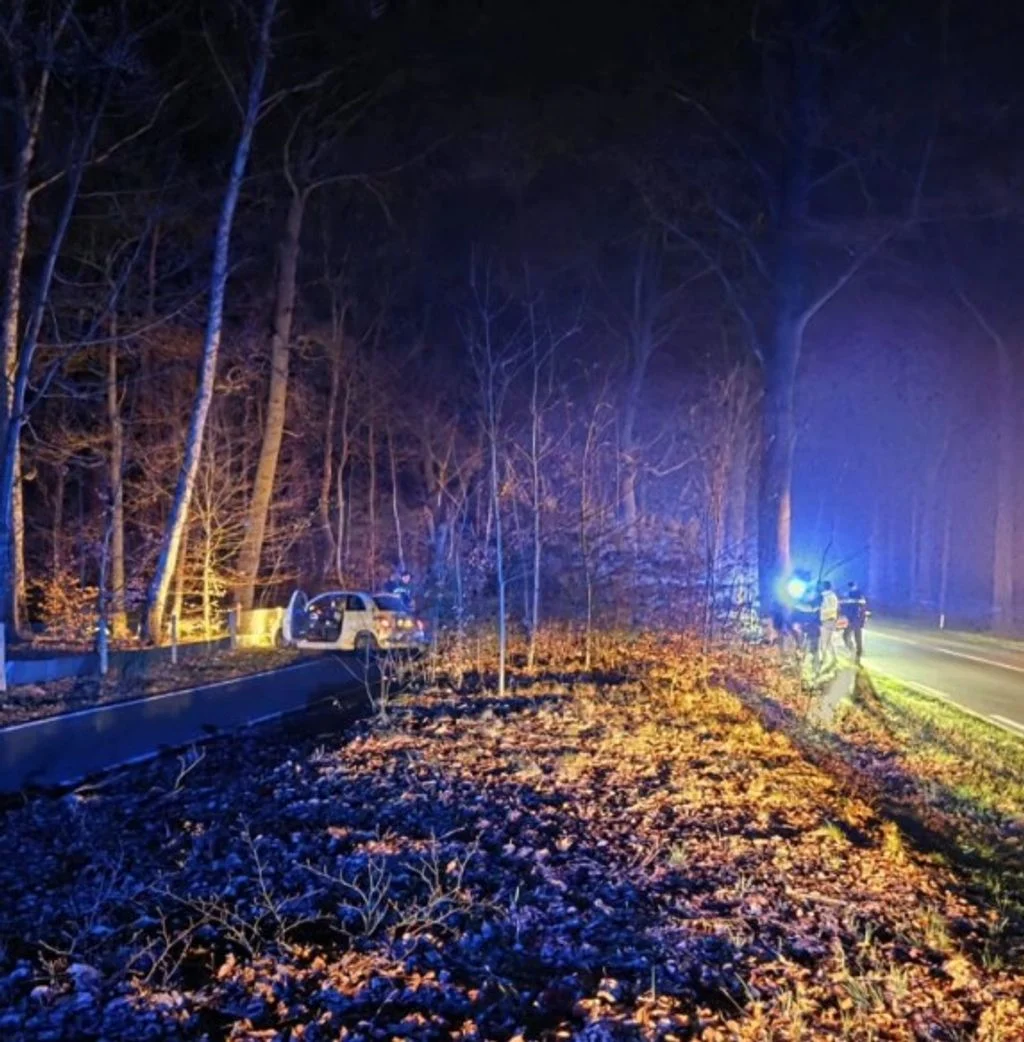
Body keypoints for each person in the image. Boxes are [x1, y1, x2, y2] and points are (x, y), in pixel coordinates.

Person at [815, 580, 839, 673]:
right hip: (830, 620)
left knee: (824, 642)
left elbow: (828, 609)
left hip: (826, 620)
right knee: (829, 641)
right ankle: (834, 659)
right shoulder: (832, 596)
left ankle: (824, 661)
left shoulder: (826, 597)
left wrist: (820, 610)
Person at [841, 581, 868, 662]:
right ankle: (857, 652)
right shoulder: (857, 595)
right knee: (856, 636)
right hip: (855, 619)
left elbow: (859, 606)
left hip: (855, 619)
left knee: (848, 636)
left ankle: (855, 652)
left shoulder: (854, 595)